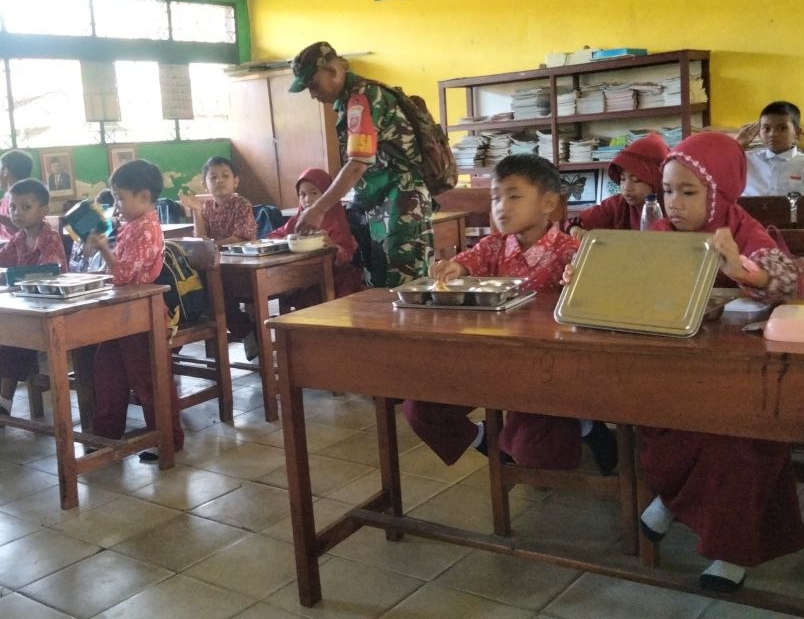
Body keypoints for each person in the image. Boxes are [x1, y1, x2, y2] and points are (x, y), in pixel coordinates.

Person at [636, 131, 804, 593]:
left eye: (689, 192)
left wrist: (743, 270)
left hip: (740, 371)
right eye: (667, 191)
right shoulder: (660, 234)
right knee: (660, 420)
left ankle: (729, 551)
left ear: (721, 192)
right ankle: (673, 498)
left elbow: (788, 280)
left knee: (739, 440)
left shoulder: (741, 230)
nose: (674, 203)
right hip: (678, 366)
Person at [402, 155, 618, 475]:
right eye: (495, 197)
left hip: (546, 372)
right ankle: (482, 439)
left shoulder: (570, 252)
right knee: (421, 409)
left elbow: (594, 301)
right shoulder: (494, 246)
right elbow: (468, 260)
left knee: (535, 452)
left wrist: (581, 280)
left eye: (514, 196)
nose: (501, 206)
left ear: (548, 203)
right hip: (490, 360)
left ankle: (585, 425)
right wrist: (453, 268)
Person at [289, 41, 432, 289]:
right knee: (377, 285)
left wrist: (319, 208)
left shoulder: (363, 98)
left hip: (401, 203)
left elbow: (357, 164)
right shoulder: (349, 101)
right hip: (379, 203)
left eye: (313, 85)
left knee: (407, 287)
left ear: (332, 71)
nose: (312, 94)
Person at [82, 159, 183, 460]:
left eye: (120, 198)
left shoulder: (148, 228)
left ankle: (167, 438)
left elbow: (126, 274)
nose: (116, 205)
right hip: (119, 312)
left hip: (143, 314)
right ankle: (106, 435)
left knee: (149, 378)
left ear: (145, 197)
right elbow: (115, 273)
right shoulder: (129, 226)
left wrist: (104, 249)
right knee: (107, 371)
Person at [0, 179, 68, 416]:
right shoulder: (19, 237)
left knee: (13, 335)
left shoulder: (50, 237)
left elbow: (50, 270)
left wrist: (11, 276)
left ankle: (3, 401)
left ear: (44, 211)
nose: (17, 213)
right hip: (28, 306)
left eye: (25, 207)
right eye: (13, 207)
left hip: (50, 309)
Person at [268, 168, 366, 300]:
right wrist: (287, 240)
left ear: (327, 194)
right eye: (302, 194)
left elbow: (347, 255)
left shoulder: (336, 220)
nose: (307, 199)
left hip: (335, 281)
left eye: (314, 193)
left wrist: (332, 247)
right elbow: (273, 236)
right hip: (303, 277)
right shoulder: (299, 220)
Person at [566, 132, 669, 235]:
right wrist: (575, 229)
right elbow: (575, 221)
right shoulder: (618, 205)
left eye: (636, 180)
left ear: (657, 180)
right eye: (622, 179)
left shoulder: (671, 209)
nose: (626, 188)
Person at [737, 101, 804, 197]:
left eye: (782, 128)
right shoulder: (746, 160)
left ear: (797, 132)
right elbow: (725, 179)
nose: (772, 134)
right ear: (759, 133)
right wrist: (738, 144)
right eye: (766, 128)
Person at [179, 157, 256, 246]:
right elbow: (201, 239)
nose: (219, 180)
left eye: (225, 176)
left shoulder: (242, 205)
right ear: (205, 185)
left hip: (239, 253)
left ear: (235, 181)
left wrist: (213, 245)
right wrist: (196, 210)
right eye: (213, 177)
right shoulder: (207, 206)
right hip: (215, 252)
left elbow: (241, 239)